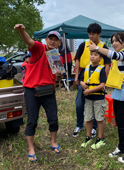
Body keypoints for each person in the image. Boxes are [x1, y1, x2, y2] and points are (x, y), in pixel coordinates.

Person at [89, 32, 124, 163]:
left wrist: (96, 48)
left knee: (123, 125)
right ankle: (122, 148)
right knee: (119, 123)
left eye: (117, 41)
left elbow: (114, 54)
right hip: (118, 91)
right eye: (112, 41)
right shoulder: (121, 55)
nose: (114, 43)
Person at [14, 25, 60, 162]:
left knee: (53, 118)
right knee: (32, 121)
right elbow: (29, 41)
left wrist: (58, 76)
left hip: (48, 91)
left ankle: (53, 142)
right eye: (50, 39)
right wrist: (22, 31)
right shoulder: (39, 48)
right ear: (46, 40)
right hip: (31, 90)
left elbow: (57, 79)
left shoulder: (56, 57)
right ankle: (31, 148)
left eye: (55, 40)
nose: (52, 41)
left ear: (59, 43)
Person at [73, 23, 112, 137]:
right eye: (89, 34)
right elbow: (77, 60)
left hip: (98, 76)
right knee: (79, 103)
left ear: (99, 34)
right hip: (84, 75)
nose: (91, 36)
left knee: (96, 102)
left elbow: (107, 65)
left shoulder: (103, 46)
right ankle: (79, 125)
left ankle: (94, 127)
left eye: (93, 34)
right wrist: (76, 77)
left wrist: (105, 82)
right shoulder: (83, 45)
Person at [79, 50, 108, 149]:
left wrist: (90, 91)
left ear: (100, 58)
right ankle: (88, 137)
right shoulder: (86, 68)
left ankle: (101, 139)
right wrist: (82, 84)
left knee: (99, 118)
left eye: (95, 55)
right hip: (88, 98)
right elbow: (81, 80)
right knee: (88, 118)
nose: (92, 56)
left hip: (98, 98)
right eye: (91, 54)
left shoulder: (101, 69)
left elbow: (102, 85)